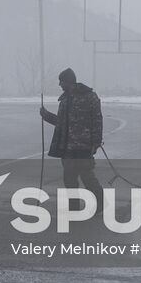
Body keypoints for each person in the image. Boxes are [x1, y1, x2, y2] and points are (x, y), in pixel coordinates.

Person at [39, 67, 103, 205]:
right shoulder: (65, 100)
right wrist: (46, 116)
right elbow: (61, 122)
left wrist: (96, 142)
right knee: (69, 180)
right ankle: (73, 207)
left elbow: (97, 119)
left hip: (84, 146)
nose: (60, 85)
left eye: (61, 82)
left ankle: (100, 204)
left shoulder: (90, 96)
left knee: (88, 178)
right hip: (67, 148)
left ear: (68, 82)